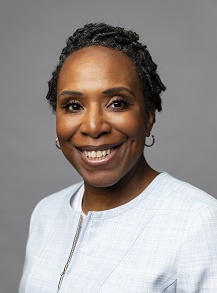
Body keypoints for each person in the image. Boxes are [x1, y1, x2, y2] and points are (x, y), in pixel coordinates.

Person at [19, 23, 217, 292]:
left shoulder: (199, 221)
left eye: (117, 103)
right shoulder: (46, 213)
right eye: (73, 106)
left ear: (148, 117)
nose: (93, 126)